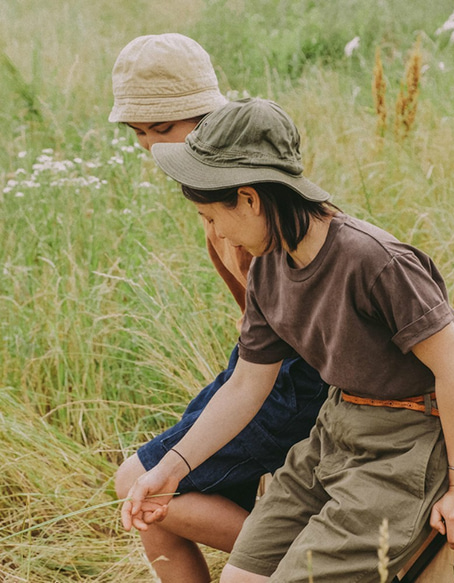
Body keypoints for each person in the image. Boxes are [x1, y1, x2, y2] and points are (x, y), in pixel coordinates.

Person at [125, 97, 454, 582]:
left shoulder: (374, 260)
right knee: (240, 578)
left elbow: (453, 365)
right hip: (333, 431)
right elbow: (245, 386)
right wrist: (171, 467)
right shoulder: (269, 266)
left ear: (250, 199)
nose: (215, 234)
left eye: (211, 217)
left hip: (403, 446)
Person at [108, 34, 328, 583]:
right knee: (147, 501)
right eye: (138, 133)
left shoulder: (248, 191)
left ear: (209, 117)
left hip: (295, 374)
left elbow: (295, 318)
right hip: (256, 360)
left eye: (163, 129)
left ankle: (317, 556)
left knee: (140, 487)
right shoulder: (207, 187)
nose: (150, 147)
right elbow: (252, 313)